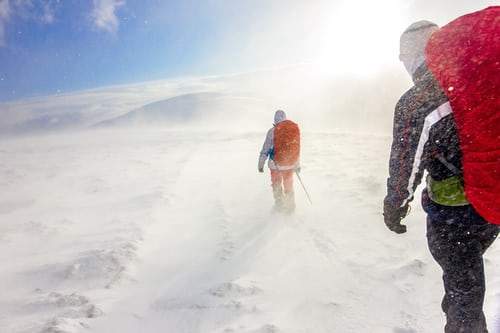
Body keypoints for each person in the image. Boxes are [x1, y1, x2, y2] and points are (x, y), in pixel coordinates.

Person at [383, 10, 499, 333]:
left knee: (463, 297)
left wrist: (394, 206)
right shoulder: (479, 76)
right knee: (467, 289)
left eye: (404, 58)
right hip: (490, 208)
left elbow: (405, 163)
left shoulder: (417, 100)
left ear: (411, 57)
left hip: (453, 220)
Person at [258, 110, 300, 213]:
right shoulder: (293, 130)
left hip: (275, 165)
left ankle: (279, 206)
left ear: (275, 119)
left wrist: (261, 164)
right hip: (289, 165)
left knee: (276, 185)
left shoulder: (272, 131)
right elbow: (296, 149)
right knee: (288, 185)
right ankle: (290, 208)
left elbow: (265, 149)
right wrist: (297, 165)